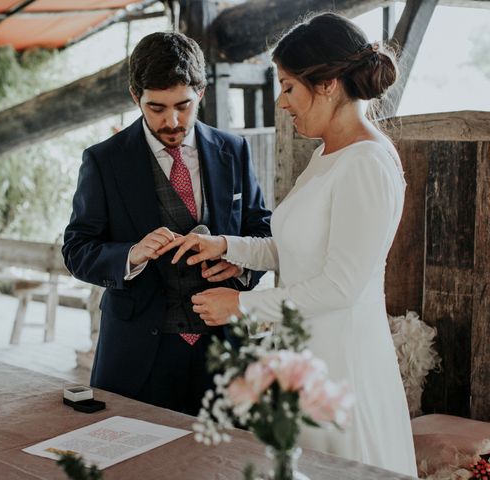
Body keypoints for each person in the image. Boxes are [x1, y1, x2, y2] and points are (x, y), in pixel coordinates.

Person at [158, 12, 417, 476]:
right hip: (303, 358)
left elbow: (340, 286)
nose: (281, 102)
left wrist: (242, 307)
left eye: (288, 86)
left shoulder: (367, 164)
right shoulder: (326, 154)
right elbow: (293, 248)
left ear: (330, 84)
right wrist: (224, 246)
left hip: (342, 366)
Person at [62, 32, 272, 416]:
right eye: (156, 108)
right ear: (134, 96)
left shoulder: (235, 150)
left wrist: (241, 263)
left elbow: (262, 228)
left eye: (183, 106)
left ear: (202, 93)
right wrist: (130, 255)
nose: (171, 121)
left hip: (224, 351)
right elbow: (76, 250)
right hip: (138, 355)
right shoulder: (103, 161)